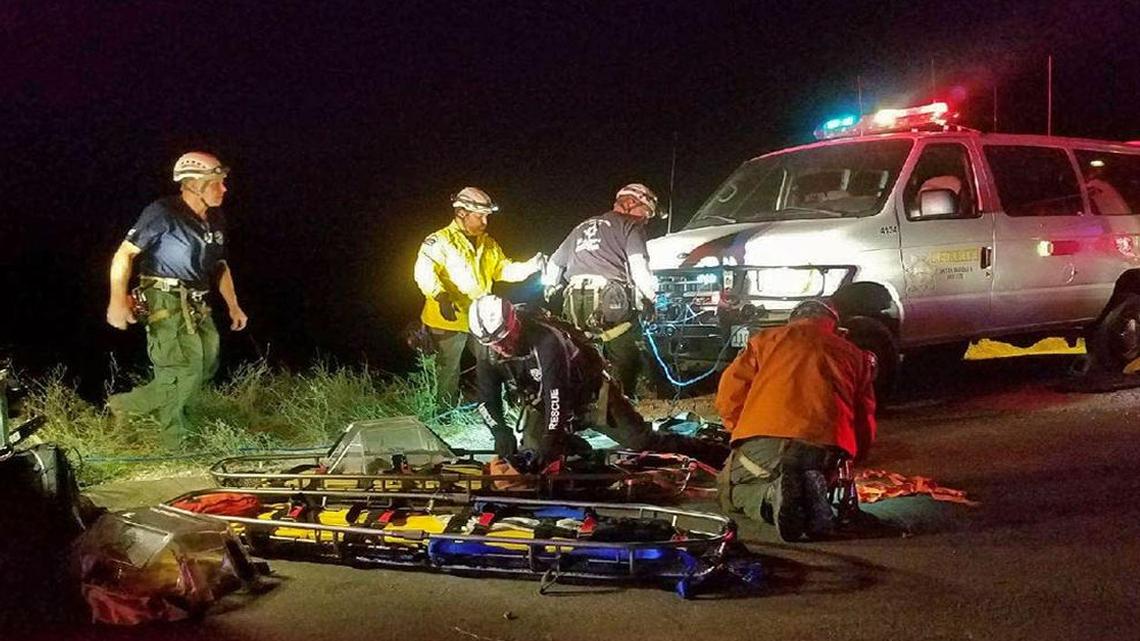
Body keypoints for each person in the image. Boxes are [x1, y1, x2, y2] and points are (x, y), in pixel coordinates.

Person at [468, 294, 727, 467]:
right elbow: (485, 398)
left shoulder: (546, 340)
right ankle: (582, 452)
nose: (501, 347)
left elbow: (556, 395)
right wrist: (499, 430)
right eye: (493, 342)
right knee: (535, 455)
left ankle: (714, 453)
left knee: (641, 442)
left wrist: (550, 439)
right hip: (543, 405)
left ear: (515, 325)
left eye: (505, 338)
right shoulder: (486, 348)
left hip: (593, 400)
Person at [105, 152, 248, 449]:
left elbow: (220, 265)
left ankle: (127, 405)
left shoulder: (215, 218)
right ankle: (176, 443)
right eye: (217, 183)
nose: (224, 189)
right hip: (165, 298)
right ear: (194, 184)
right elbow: (125, 254)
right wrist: (117, 300)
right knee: (180, 367)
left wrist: (233, 305)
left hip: (198, 300)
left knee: (206, 363)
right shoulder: (162, 212)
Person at [714, 299, 877, 541]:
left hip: (763, 442)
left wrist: (740, 430)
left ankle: (771, 495)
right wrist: (855, 455)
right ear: (834, 325)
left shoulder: (765, 340)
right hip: (825, 447)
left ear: (793, 319)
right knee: (809, 473)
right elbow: (864, 419)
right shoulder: (856, 356)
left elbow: (729, 395)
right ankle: (813, 491)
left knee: (730, 490)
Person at [412, 187, 544, 407]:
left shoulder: (487, 243)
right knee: (448, 370)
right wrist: (439, 295)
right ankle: (444, 417)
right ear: (462, 213)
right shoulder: (438, 241)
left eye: (486, 216)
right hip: (447, 318)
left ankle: (496, 407)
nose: (485, 221)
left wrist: (531, 266)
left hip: (481, 319)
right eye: (480, 216)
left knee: (494, 363)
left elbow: (503, 270)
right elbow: (423, 270)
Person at [542, 183, 660, 396]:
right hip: (609, 302)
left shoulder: (582, 226)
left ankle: (585, 402)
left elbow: (554, 263)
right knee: (627, 353)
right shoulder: (630, 225)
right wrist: (650, 299)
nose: (647, 219)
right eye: (646, 212)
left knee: (583, 354)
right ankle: (623, 403)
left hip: (575, 304)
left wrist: (551, 287)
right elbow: (638, 265)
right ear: (631, 203)